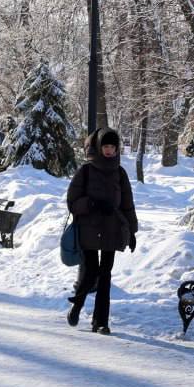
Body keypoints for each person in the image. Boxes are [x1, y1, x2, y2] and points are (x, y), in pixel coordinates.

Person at [65, 128, 138, 334]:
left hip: (112, 229)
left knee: (105, 275)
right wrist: (92, 204)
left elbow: (127, 204)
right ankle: (77, 305)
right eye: (105, 146)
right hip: (89, 229)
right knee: (90, 272)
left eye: (112, 147)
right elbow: (72, 202)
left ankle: (101, 322)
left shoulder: (120, 173)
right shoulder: (86, 171)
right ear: (98, 147)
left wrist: (132, 231)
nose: (109, 150)